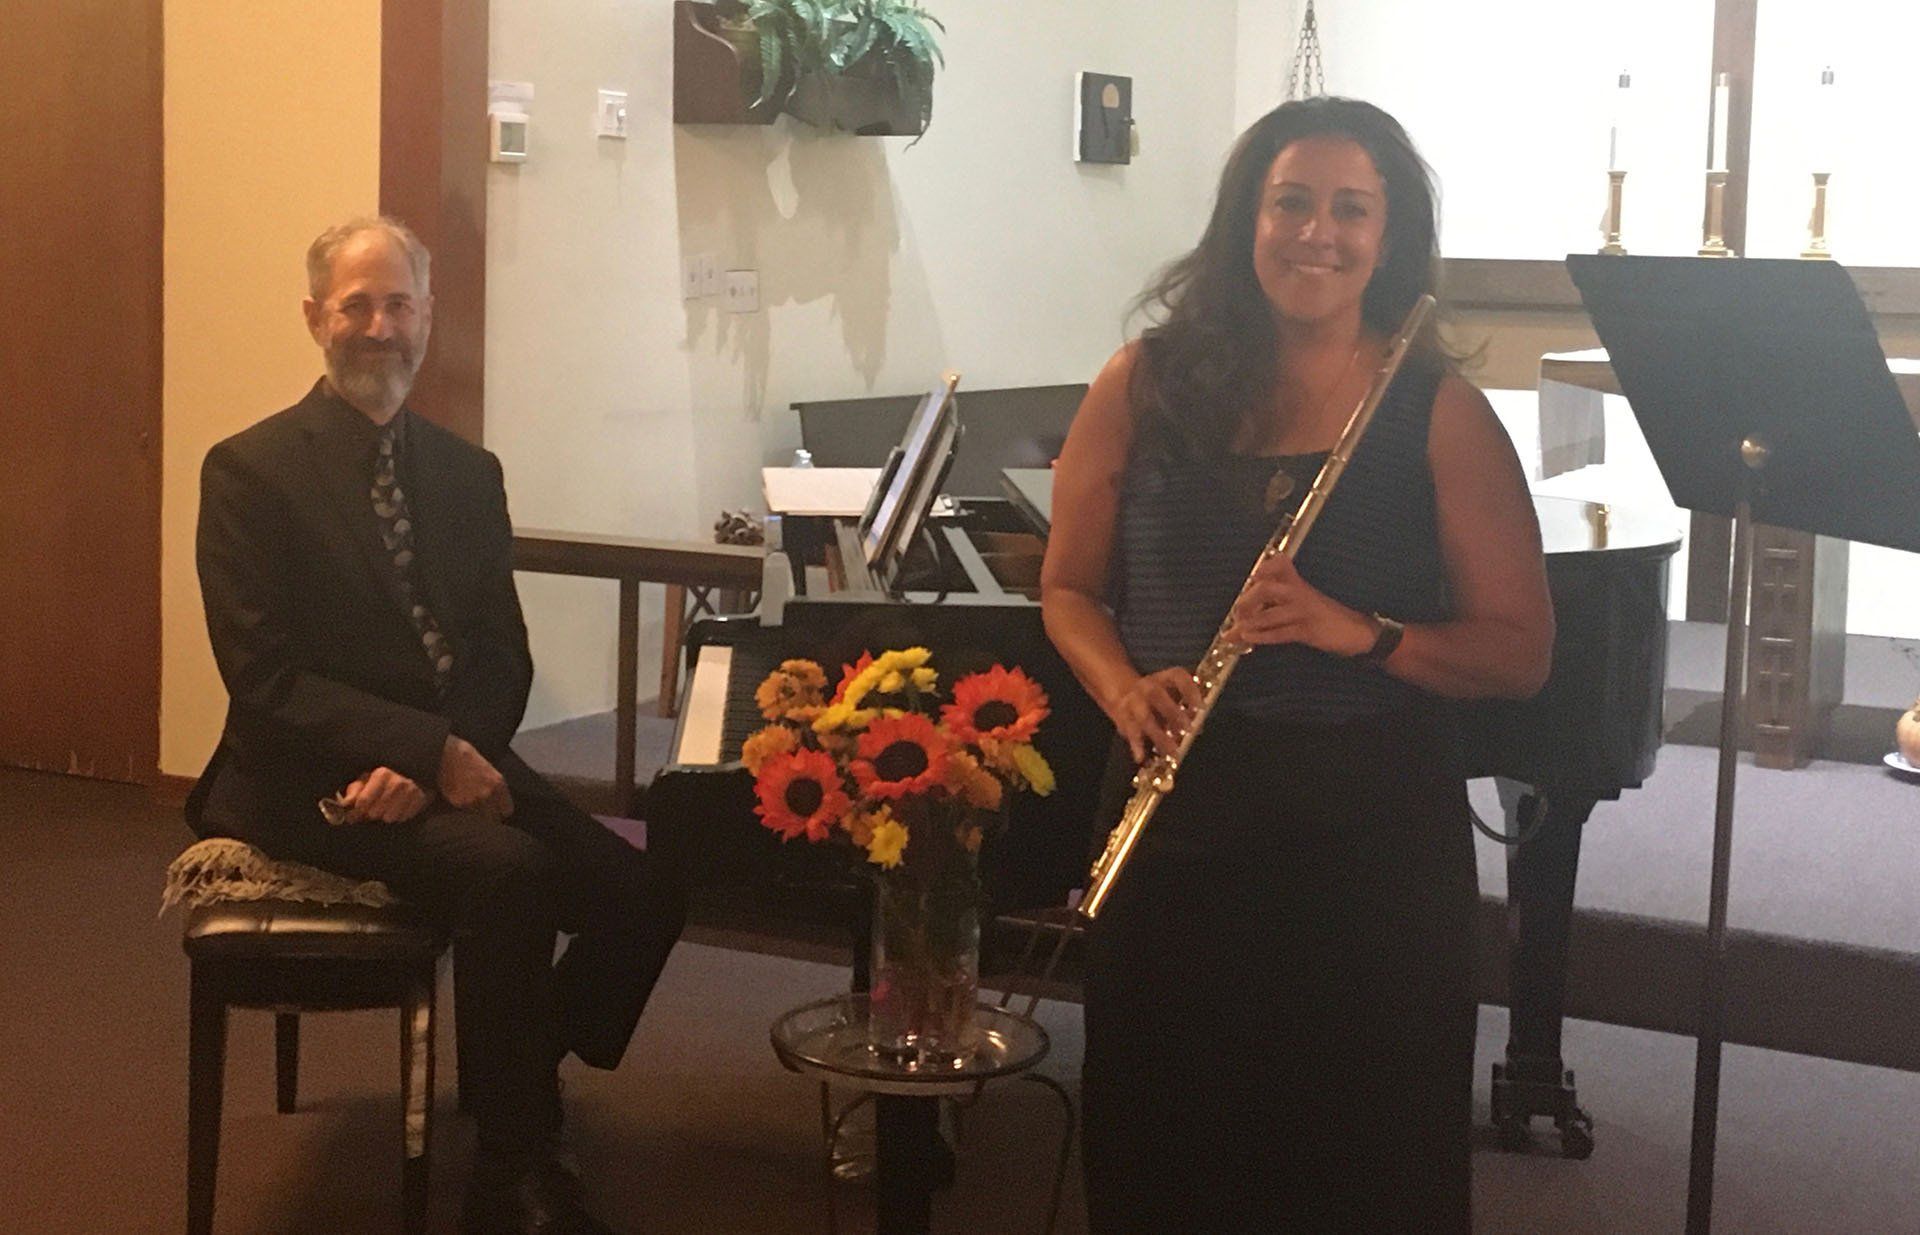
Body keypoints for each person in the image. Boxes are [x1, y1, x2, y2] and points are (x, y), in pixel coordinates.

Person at [1042, 97, 1554, 1232]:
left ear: (1389, 235)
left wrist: (1357, 630)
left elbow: (1519, 653)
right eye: (1292, 202)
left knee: (1354, 1161)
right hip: (1177, 818)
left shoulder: (1439, 413)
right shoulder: (1144, 381)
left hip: (1365, 848)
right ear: (1247, 218)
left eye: (1351, 210)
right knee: (1167, 1140)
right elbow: (1068, 588)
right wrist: (1123, 685)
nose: (1317, 233)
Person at [188, 216, 685, 1235]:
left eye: (398, 303)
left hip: (454, 755)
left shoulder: (468, 473)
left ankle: (515, 1062)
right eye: (356, 304)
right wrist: (423, 751)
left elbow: (504, 652)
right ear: (314, 318)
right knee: (509, 872)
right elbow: (264, 677)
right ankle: (512, 1166)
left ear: (427, 316)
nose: (380, 326)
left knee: (647, 884)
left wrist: (450, 750)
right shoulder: (248, 471)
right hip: (303, 775)